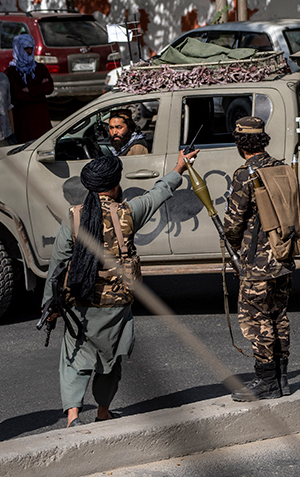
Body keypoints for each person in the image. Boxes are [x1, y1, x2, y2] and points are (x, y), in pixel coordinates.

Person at [42, 149, 198, 427]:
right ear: (114, 185)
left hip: (80, 304)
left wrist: (49, 306)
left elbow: (57, 265)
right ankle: (103, 411)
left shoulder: (74, 217)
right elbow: (158, 193)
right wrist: (180, 167)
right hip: (116, 302)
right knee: (109, 358)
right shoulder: (128, 213)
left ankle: (73, 416)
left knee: (74, 356)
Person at [223, 116, 295, 402]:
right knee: (278, 315)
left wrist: (230, 244)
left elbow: (233, 223)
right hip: (283, 253)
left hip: (257, 262)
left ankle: (266, 381)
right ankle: (282, 378)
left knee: (256, 319)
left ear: (240, 143)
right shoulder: (280, 167)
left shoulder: (245, 174)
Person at [6, 34, 54, 143]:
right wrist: (40, 92)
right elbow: (18, 95)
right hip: (23, 122)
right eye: (25, 48)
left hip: (41, 121)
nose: (28, 51)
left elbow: (50, 88)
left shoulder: (40, 68)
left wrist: (30, 89)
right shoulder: (12, 72)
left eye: (30, 48)